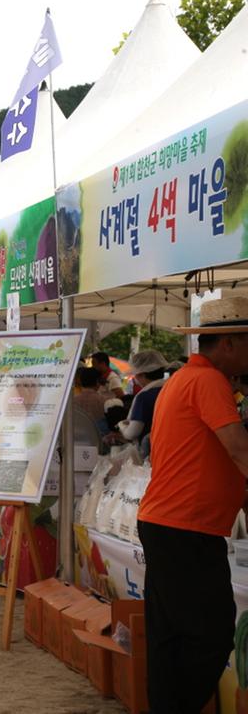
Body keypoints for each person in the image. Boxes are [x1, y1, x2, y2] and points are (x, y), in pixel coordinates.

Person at [137, 296, 248, 712]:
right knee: (211, 633)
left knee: (171, 635)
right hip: (186, 526)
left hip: (171, 522)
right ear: (229, 343)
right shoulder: (208, 381)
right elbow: (237, 448)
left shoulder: (184, 378)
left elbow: (217, 456)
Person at [116, 350, 169, 456]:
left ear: (142, 375)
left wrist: (122, 426)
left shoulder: (144, 397)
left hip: (150, 453)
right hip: (170, 448)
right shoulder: (171, 389)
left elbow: (132, 433)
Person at [73, 366, 113, 431]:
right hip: (98, 436)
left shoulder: (73, 401)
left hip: (77, 435)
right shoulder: (105, 401)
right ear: (97, 382)